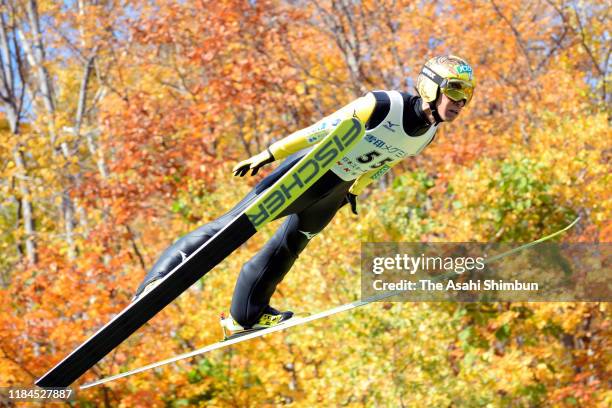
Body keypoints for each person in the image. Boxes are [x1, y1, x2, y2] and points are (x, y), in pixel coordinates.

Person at [133, 55, 475, 336]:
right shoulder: (383, 104)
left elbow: (384, 163)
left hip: (335, 191)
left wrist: (355, 191)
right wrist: (270, 153)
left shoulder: (427, 135)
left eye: (467, 96)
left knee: (289, 247)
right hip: (308, 173)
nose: (461, 102)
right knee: (230, 227)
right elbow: (321, 130)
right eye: (456, 91)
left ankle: (244, 316)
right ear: (431, 85)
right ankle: (156, 283)